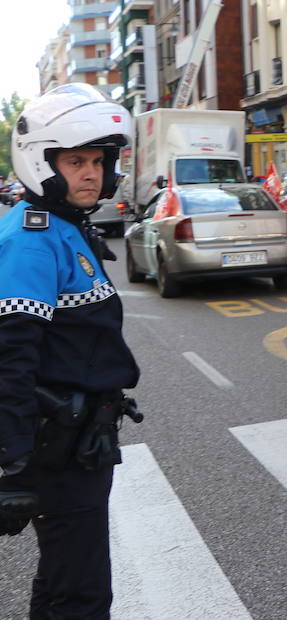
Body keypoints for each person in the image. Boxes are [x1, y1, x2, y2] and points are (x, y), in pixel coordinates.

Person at [0, 83, 142, 617]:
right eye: (76, 161)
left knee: (72, 579)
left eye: (100, 161)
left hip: (80, 440)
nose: (92, 174)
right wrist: (12, 466)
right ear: (42, 163)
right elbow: (10, 354)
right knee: (76, 593)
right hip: (54, 447)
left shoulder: (63, 225)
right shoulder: (32, 237)